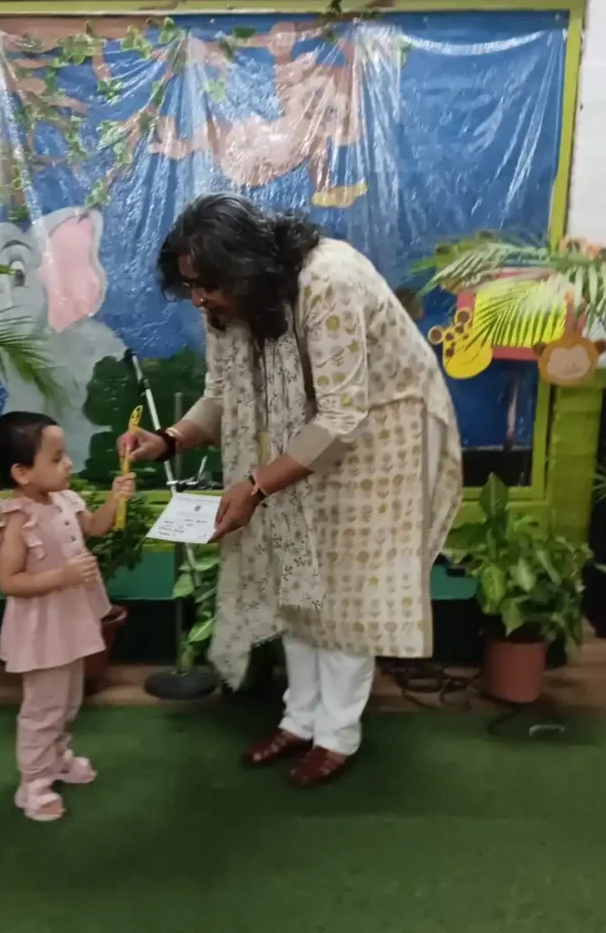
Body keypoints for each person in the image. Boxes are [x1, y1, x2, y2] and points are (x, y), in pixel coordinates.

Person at [123, 194, 462, 786]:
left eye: (207, 285)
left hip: (384, 430)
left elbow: (343, 419)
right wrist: (170, 440)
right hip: (311, 430)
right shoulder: (229, 305)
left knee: (345, 590)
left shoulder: (328, 281)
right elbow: (224, 396)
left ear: (245, 268)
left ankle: (337, 735)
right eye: (191, 286)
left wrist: (256, 486)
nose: (199, 299)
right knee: (296, 576)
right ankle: (299, 719)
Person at [0, 411, 134, 822]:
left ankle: (56, 758)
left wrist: (115, 498)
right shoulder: (18, 517)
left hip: (70, 619)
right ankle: (32, 782)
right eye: (56, 458)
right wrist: (62, 576)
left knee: (68, 699)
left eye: (65, 455)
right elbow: (9, 581)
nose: (68, 464)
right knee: (44, 706)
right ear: (22, 473)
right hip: (41, 628)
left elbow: (97, 528)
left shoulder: (66, 499)